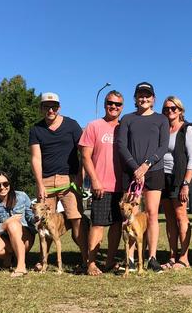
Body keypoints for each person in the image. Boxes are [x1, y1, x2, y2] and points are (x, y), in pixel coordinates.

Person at [29, 92, 88, 270]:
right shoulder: (36, 129)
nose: (50, 109)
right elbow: (35, 158)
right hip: (45, 181)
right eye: (46, 106)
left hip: (68, 180)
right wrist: (39, 184)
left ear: (59, 107)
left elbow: (84, 152)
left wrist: (80, 176)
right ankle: (43, 261)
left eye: (54, 106)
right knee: (43, 224)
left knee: (77, 220)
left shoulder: (72, 125)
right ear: (41, 108)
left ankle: (87, 260)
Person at [115, 82, 169, 273]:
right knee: (131, 216)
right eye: (140, 95)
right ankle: (129, 259)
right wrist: (135, 168)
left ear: (153, 98)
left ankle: (152, 258)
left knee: (152, 214)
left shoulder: (162, 119)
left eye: (147, 95)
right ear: (135, 98)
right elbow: (121, 145)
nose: (143, 99)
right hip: (131, 172)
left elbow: (163, 146)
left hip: (153, 171)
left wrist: (146, 165)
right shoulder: (128, 119)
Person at [80, 90, 124, 275]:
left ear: (122, 107)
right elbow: (85, 156)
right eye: (110, 103)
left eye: (117, 104)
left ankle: (109, 261)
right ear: (105, 104)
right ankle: (91, 263)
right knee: (97, 224)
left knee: (116, 225)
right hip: (101, 185)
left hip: (121, 186)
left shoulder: (124, 127)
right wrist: (95, 180)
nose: (113, 106)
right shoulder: (94, 126)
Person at [160, 96, 192, 270]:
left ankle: (184, 257)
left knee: (181, 217)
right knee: (169, 219)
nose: (170, 111)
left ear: (180, 110)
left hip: (179, 178)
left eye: (174, 108)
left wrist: (186, 183)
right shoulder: (163, 128)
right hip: (162, 177)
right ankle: (172, 256)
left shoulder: (186, 129)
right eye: (166, 109)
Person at [0, 171, 36, 277]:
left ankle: (21, 266)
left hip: (25, 237)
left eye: (5, 184)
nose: (2, 187)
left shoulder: (22, 196)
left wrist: (37, 217)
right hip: (6, 238)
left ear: (10, 184)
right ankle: (9, 257)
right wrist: (6, 223)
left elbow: (31, 218)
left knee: (13, 224)